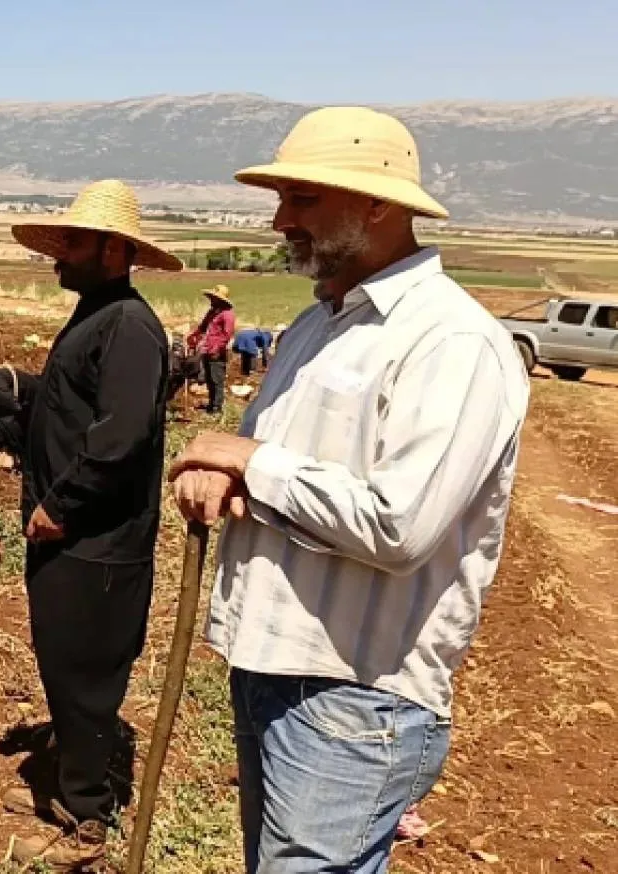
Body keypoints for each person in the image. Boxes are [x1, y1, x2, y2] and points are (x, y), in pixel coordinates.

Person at [169, 107, 529, 874]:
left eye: (301, 200)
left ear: (377, 205)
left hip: (358, 696)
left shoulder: (451, 342)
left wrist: (251, 462)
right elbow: (266, 466)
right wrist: (220, 472)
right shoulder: (314, 329)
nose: (279, 220)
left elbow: (398, 523)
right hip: (269, 667)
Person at [0, 179, 180, 868]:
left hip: (97, 540)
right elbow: (56, 408)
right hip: (73, 534)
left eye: (74, 244)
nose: (59, 256)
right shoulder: (95, 313)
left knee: (85, 669)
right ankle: (74, 753)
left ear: (115, 249)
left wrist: (62, 505)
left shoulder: (129, 328)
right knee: (64, 658)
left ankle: (83, 813)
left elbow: (119, 438)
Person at [187, 285, 236, 413]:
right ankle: (211, 403)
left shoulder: (227, 314)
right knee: (209, 378)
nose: (211, 300)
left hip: (217, 352)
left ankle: (217, 407)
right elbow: (203, 327)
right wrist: (193, 335)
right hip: (207, 349)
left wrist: (217, 349)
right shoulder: (212, 312)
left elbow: (227, 335)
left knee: (216, 379)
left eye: (214, 298)